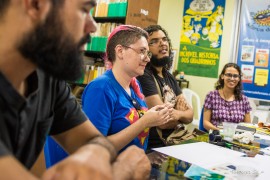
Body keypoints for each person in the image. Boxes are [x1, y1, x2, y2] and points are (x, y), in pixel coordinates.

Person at [0, 0, 151, 179]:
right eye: (84, 9)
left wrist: (96, 152)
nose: (93, 27)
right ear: (35, 5)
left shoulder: (47, 80)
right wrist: (121, 172)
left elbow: (94, 140)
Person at [82, 25, 172, 153]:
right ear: (120, 51)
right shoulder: (101, 88)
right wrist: (145, 122)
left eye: (148, 53)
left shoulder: (135, 86)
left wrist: (154, 116)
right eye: (141, 51)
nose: (147, 59)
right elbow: (94, 148)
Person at [137, 25, 193, 151]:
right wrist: (181, 115)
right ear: (145, 49)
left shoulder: (169, 76)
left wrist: (176, 114)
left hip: (175, 141)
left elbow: (190, 115)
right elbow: (162, 122)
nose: (162, 44)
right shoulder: (144, 74)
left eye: (164, 39)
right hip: (157, 147)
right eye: (154, 41)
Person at [203, 63, 252, 131]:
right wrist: (220, 132)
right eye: (229, 75)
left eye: (235, 76)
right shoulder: (211, 96)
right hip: (216, 137)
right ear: (222, 76)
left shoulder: (244, 100)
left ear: (239, 79)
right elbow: (206, 123)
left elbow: (247, 126)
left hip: (236, 138)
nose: (232, 78)